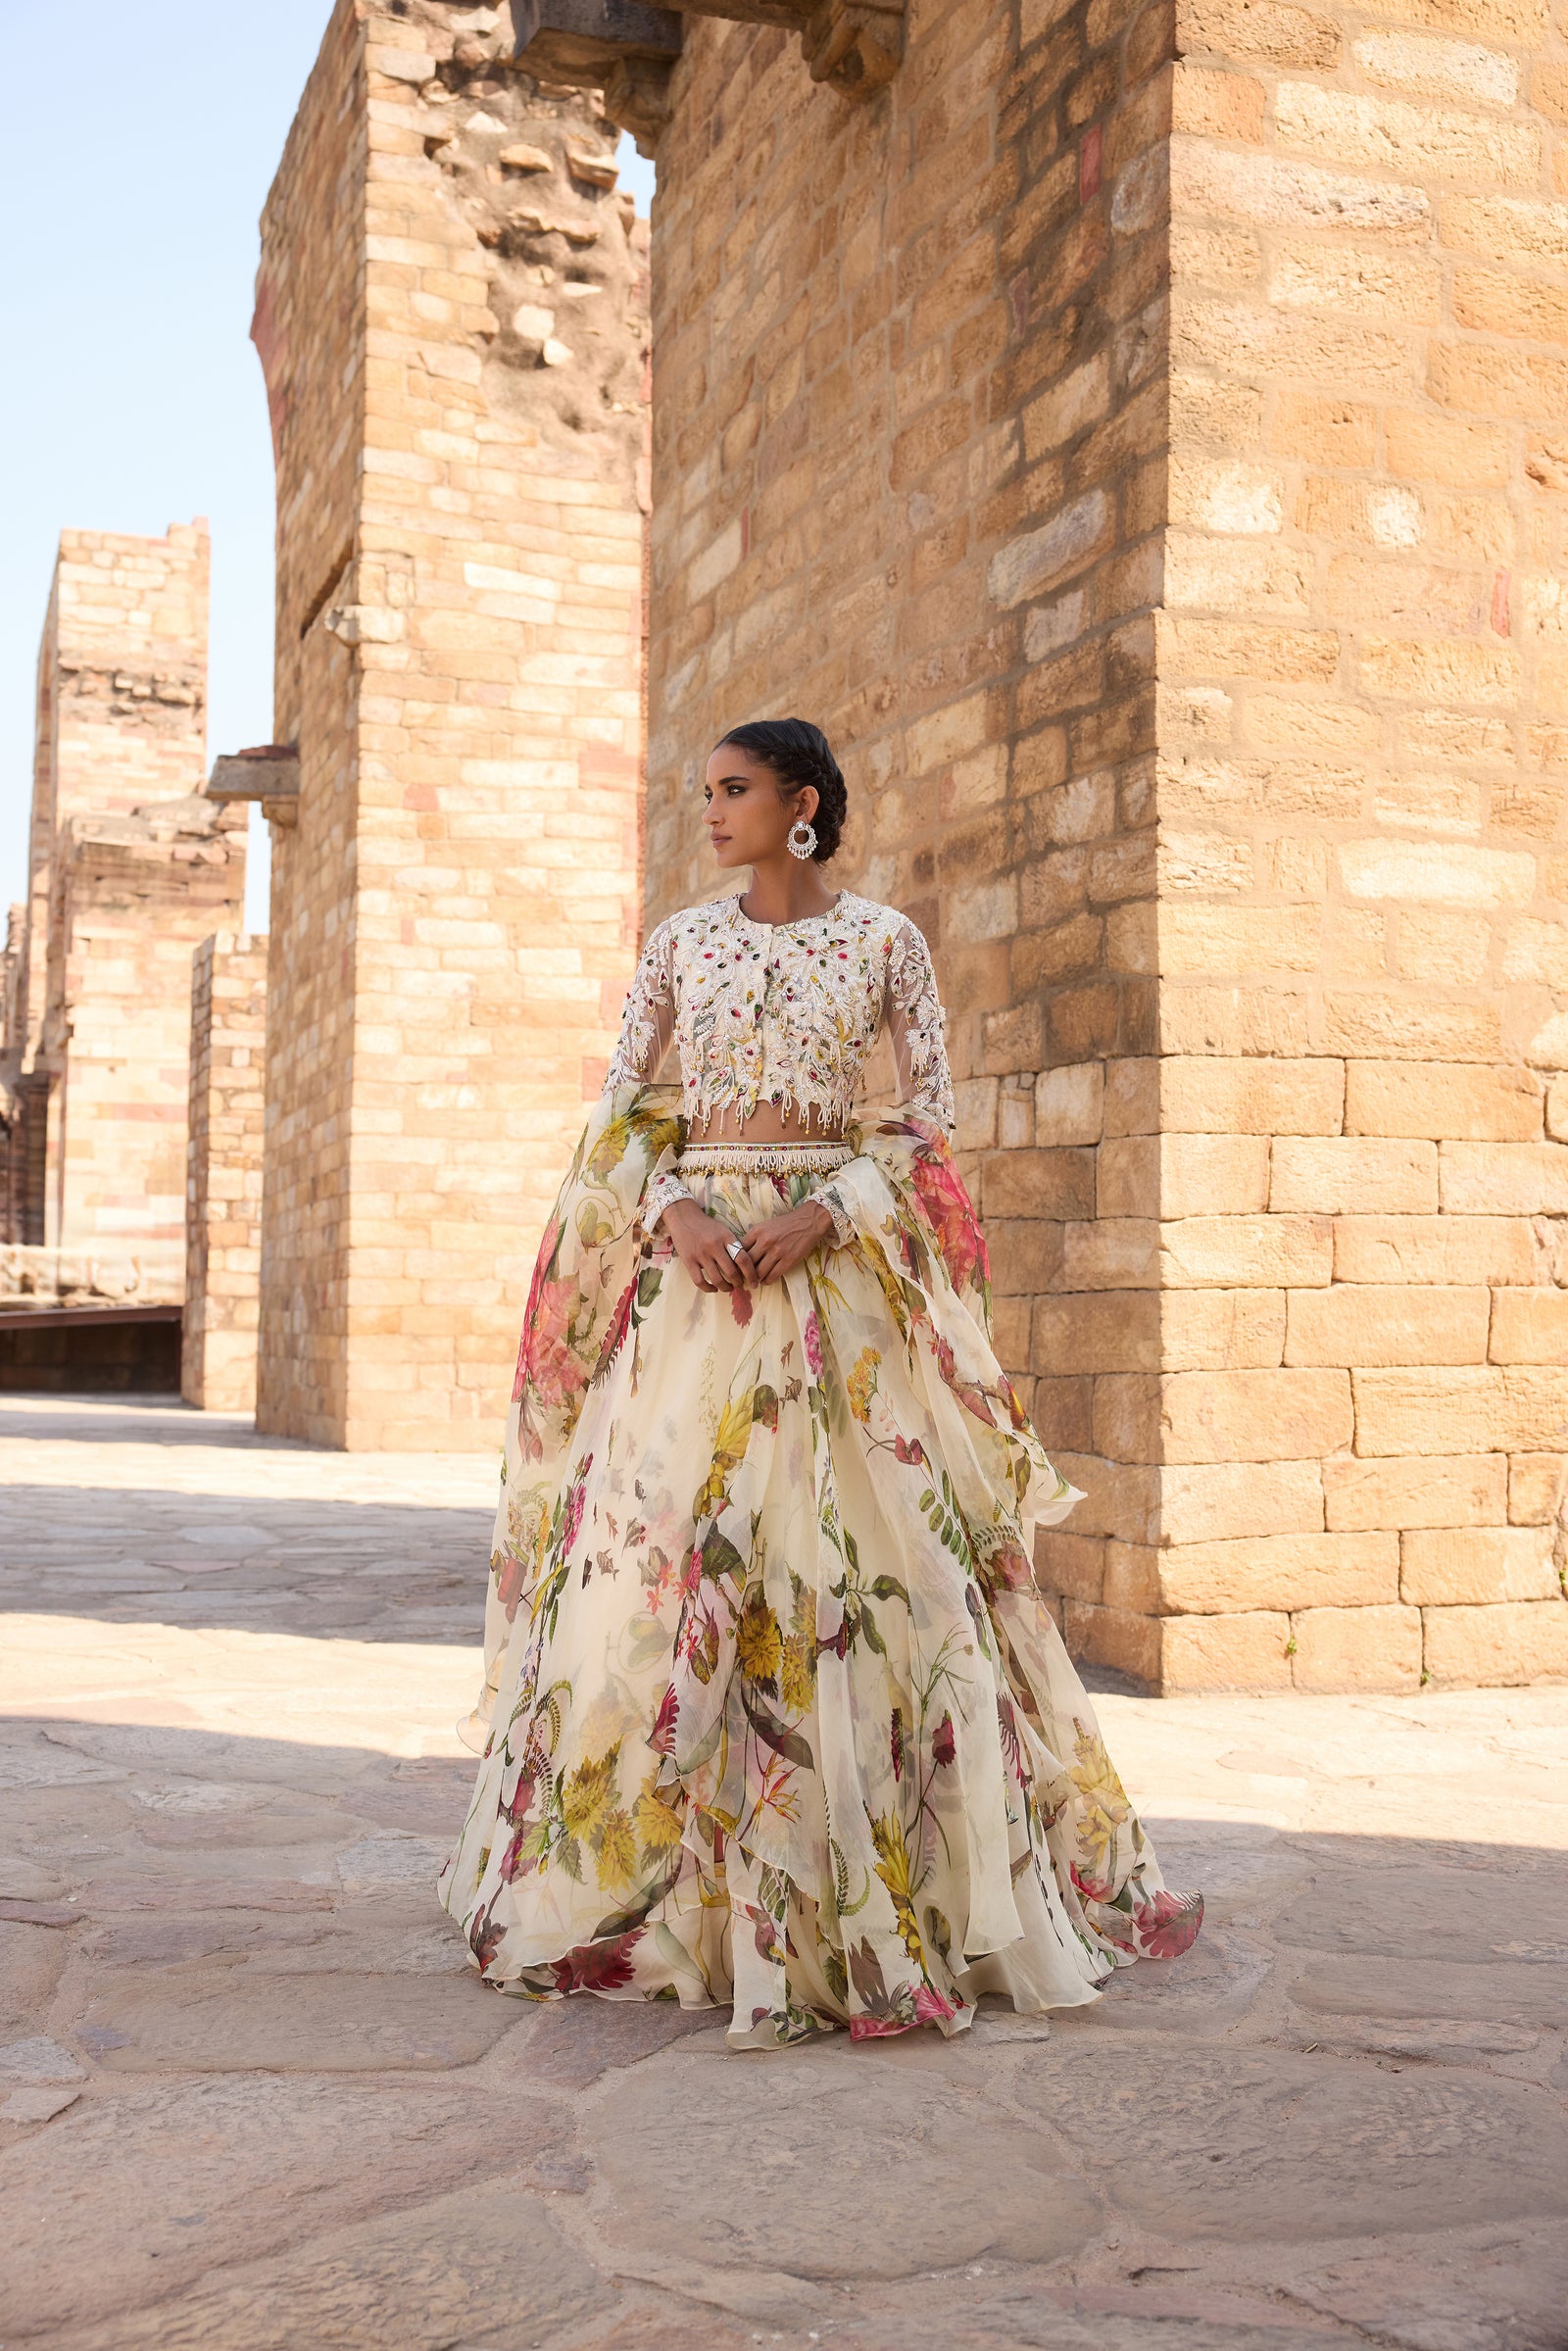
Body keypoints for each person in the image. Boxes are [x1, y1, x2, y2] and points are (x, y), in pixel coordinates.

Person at [439, 718, 1200, 2046]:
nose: (712, 812)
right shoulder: (681, 940)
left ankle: (873, 1886)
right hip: (700, 1282)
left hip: (828, 1281)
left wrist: (833, 1210)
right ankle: (682, 1890)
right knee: (677, 1556)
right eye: (707, 791)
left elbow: (923, 1120)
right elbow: (624, 1106)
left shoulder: (886, 942)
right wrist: (673, 1211)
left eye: (732, 791)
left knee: (861, 1567)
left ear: (802, 805)